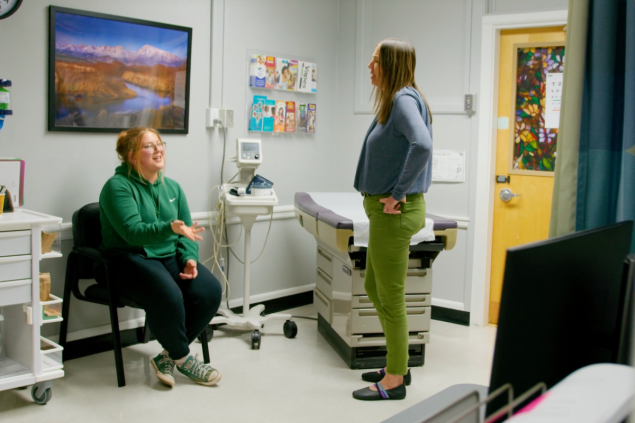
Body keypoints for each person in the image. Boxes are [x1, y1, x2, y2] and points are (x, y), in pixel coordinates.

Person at [98, 127, 223, 388]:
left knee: (209, 290)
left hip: (168, 257)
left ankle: (166, 355)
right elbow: (132, 233)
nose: (158, 150)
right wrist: (170, 228)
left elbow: (187, 232)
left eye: (159, 143)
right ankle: (184, 359)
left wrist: (189, 259)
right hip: (129, 258)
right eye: (149, 146)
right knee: (168, 294)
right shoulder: (116, 187)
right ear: (132, 156)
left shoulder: (172, 187)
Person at [352, 39, 433, 401]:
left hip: (394, 213)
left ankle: (395, 379)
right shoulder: (399, 99)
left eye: (374, 60)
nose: (369, 66)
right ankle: (396, 363)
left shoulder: (402, 100)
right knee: (373, 288)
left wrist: (398, 192)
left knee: (391, 297)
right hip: (387, 213)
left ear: (390, 63)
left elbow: (423, 144)